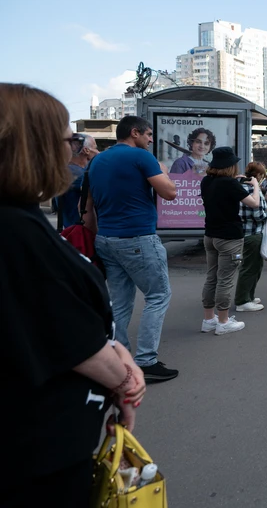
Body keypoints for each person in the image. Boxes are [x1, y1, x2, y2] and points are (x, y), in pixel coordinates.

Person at [0, 84, 146, 505]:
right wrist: (126, 383)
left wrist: (116, 350)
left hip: (44, 444)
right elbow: (66, 336)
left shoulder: (21, 218)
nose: (77, 148)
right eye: (71, 139)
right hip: (36, 455)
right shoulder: (12, 230)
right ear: (35, 146)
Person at [84, 115, 179, 383]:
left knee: (120, 302)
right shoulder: (141, 157)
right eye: (148, 134)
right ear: (134, 133)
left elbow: (88, 208)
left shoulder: (97, 160)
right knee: (158, 295)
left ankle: (118, 358)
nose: (150, 139)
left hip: (106, 240)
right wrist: (162, 169)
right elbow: (170, 193)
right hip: (138, 238)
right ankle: (147, 361)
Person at [199, 147, 263, 335]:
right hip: (230, 238)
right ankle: (224, 321)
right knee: (225, 280)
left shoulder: (206, 181)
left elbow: (221, 193)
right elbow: (254, 203)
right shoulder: (230, 183)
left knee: (211, 277)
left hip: (210, 235)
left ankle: (209, 319)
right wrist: (255, 185)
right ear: (230, 165)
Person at [235, 162, 267, 312]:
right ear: (259, 175)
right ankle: (243, 300)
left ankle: (249, 296)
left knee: (253, 266)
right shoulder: (253, 190)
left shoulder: (240, 187)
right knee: (251, 267)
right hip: (254, 232)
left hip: (243, 231)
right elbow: (258, 213)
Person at [56, 133, 99, 231]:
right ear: (86, 150)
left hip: (71, 230)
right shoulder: (78, 174)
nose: (97, 151)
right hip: (81, 234)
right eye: (95, 148)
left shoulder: (65, 170)